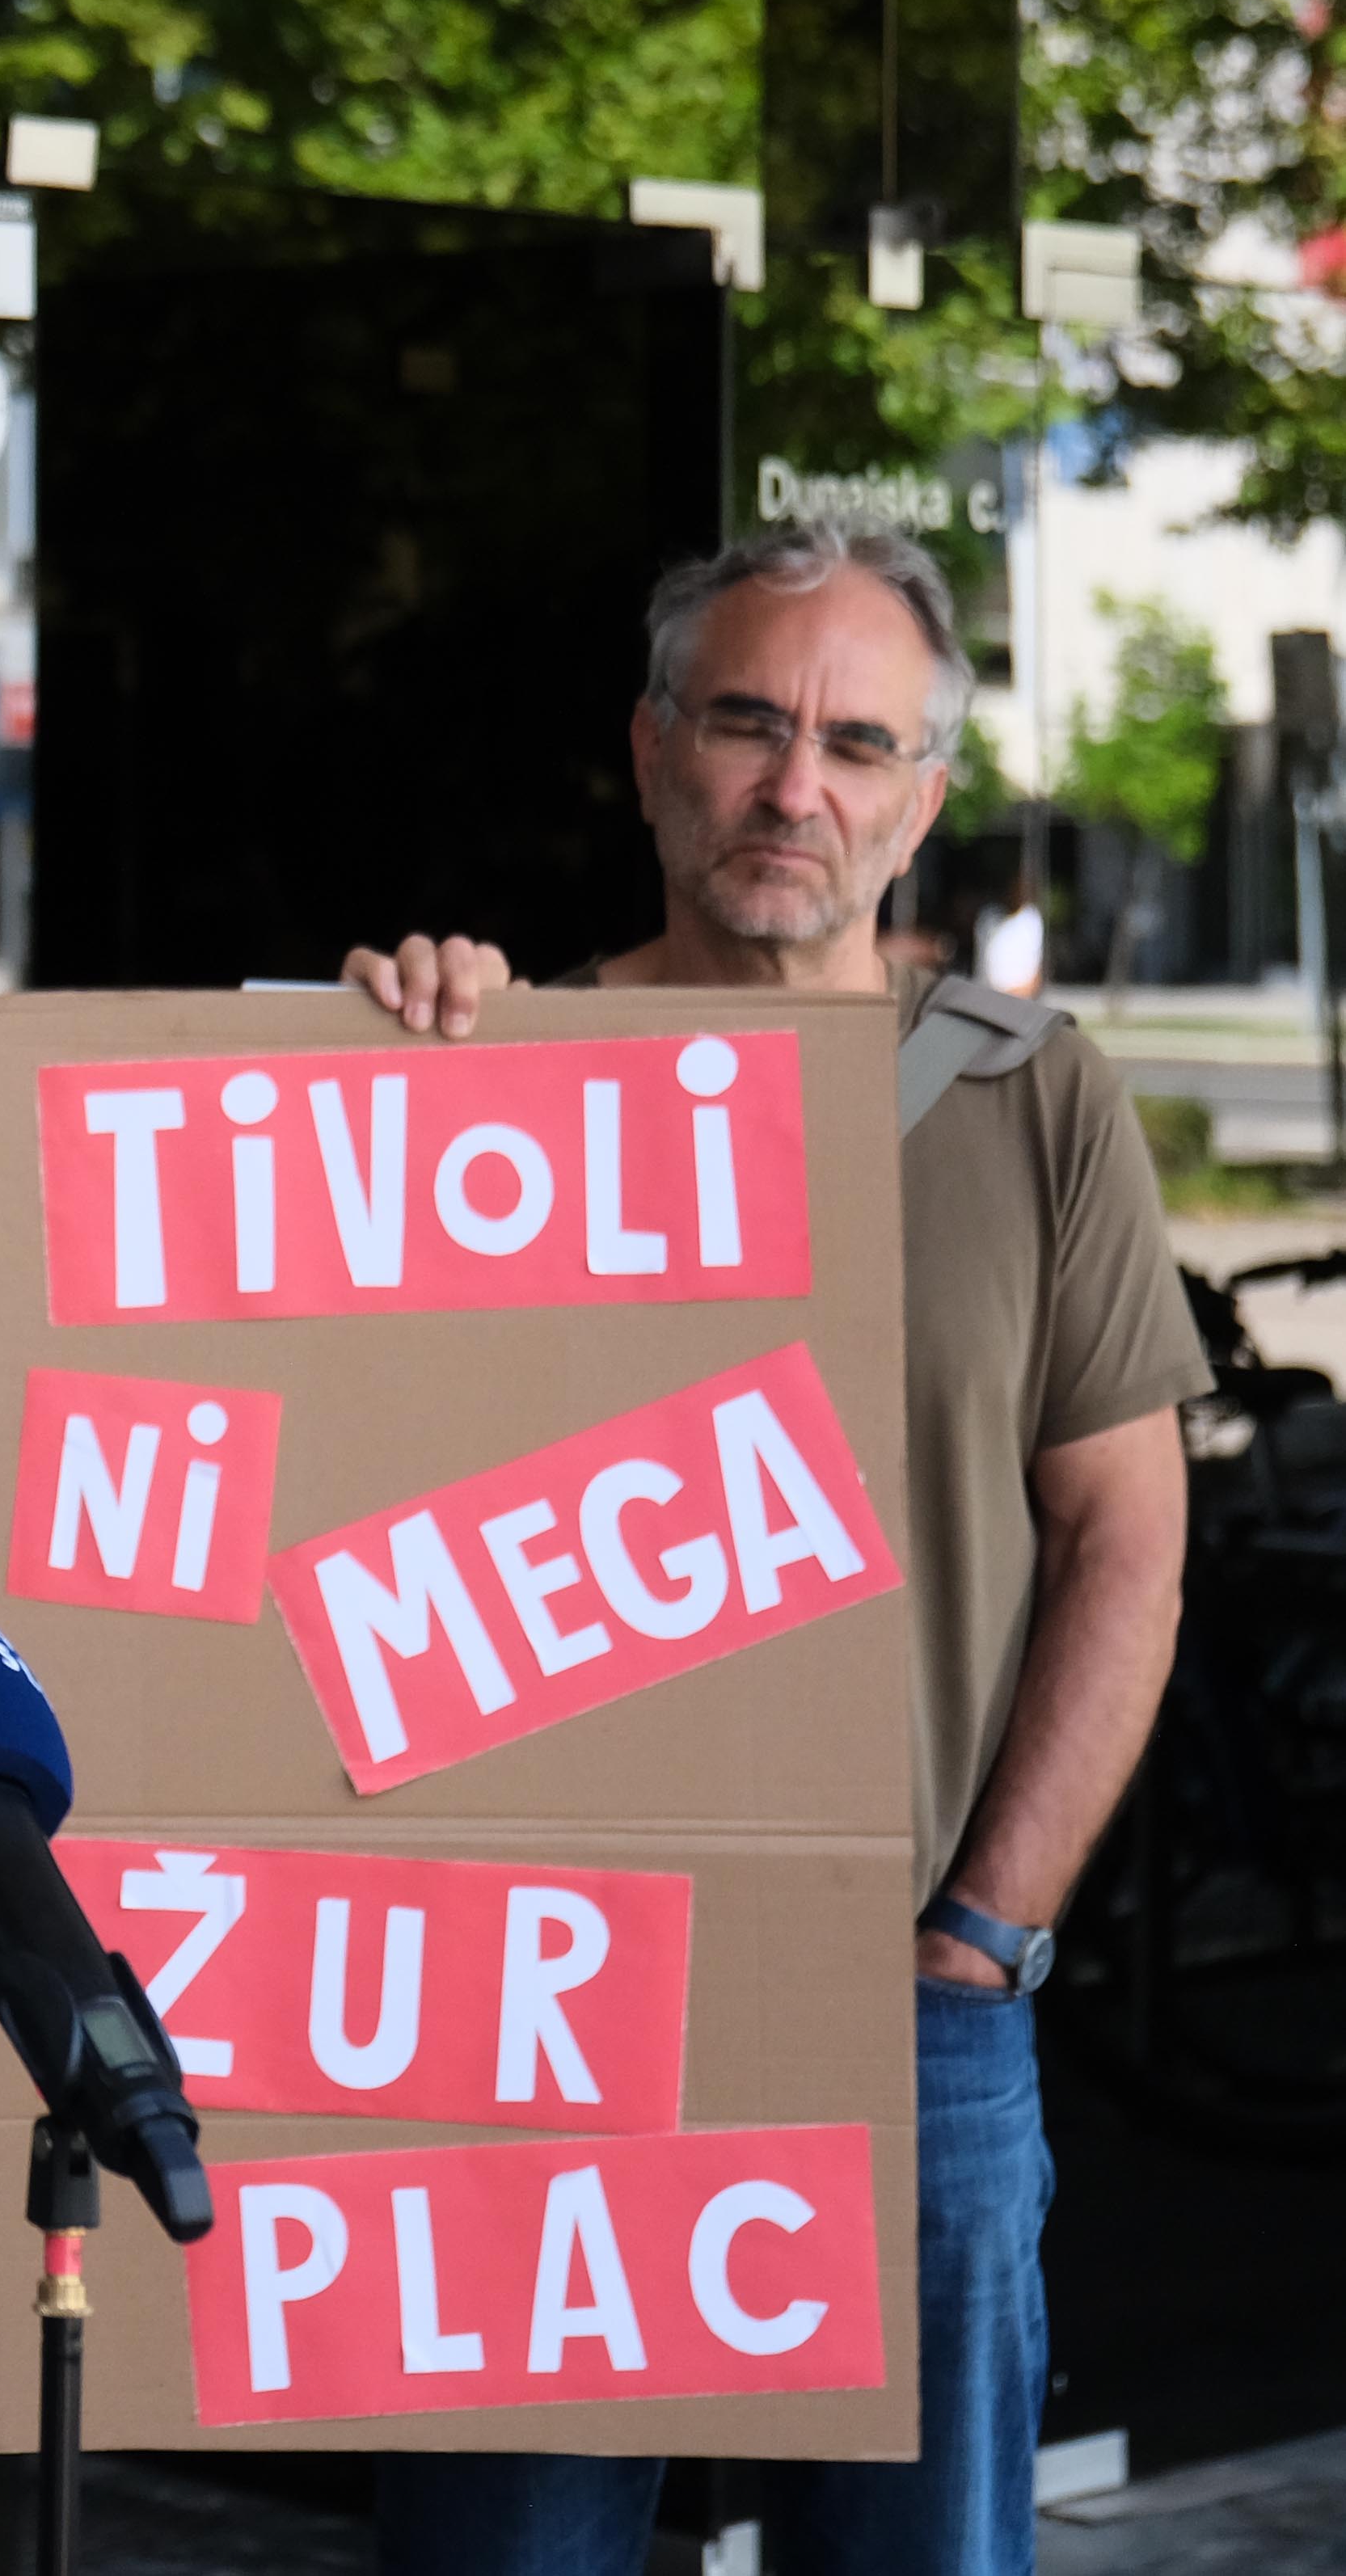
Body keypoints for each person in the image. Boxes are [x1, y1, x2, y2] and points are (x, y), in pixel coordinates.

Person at [345, 518, 1201, 2576]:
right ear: (648, 753)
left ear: (918, 805)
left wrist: (978, 1939)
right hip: (531, 2025)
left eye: (851, 741)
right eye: (742, 722)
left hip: (910, 2014)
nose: (789, 784)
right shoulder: (468, 1093)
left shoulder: (1030, 1109)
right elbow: (334, 1510)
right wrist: (364, 1091)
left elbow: (1124, 1552)